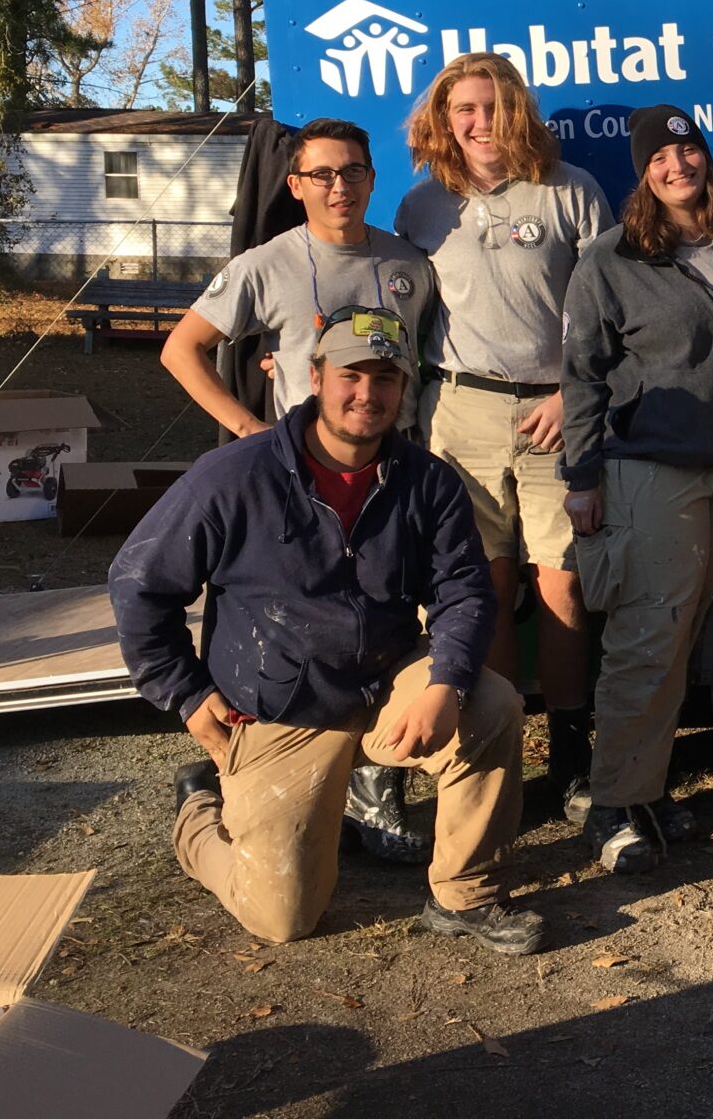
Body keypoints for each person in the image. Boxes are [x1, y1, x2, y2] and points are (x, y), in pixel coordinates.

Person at [111, 311, 541, 954]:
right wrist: (187, 693)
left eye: (386, 378)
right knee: (281, 918)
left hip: (382, 685)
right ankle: (198, 809)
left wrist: (445, 684)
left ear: (404, 389)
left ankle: (465, 895)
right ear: (315, 378)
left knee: (492, 703)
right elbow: (138, 583)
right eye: (351, 375)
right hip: (278, 706)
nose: (368, 394)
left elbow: (464, 591)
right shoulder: (234, 475)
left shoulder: (428, 482)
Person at [161, 115, 439, 862]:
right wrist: (248, 428)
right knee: (305, 640)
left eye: (353, 172)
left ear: (372, 179)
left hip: (393, 480)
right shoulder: (265, 265)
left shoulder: (410, 265)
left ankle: (376, 796)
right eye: (322, 174)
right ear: (296, 184)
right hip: (301, 488)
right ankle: (242, 778)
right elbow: (182, 350)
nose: (339, 186)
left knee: (389, 633)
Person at [395, 52, 614, 819]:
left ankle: (573, 761)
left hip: (555, 413)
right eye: (465, 109)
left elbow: (608, 308)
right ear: (443, 120)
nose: (480, 121)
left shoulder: (570, 190)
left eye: (493, 106)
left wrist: (571, 393)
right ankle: (494, 759)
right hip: (462, 412)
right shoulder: (422, 205)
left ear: (518, 110)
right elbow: (401, 310)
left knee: (562, 588)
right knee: (479, 591)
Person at [560, 105, 713, 875]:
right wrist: (581, 476)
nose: (677, 165)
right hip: (651, 470)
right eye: (660, 158)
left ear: (705, 158)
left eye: (687, 152)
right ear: (644, 173)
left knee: (682, 638)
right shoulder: (613, 258)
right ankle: (611, 805)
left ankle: (645, 791)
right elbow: (582, 375)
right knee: (646, 636)